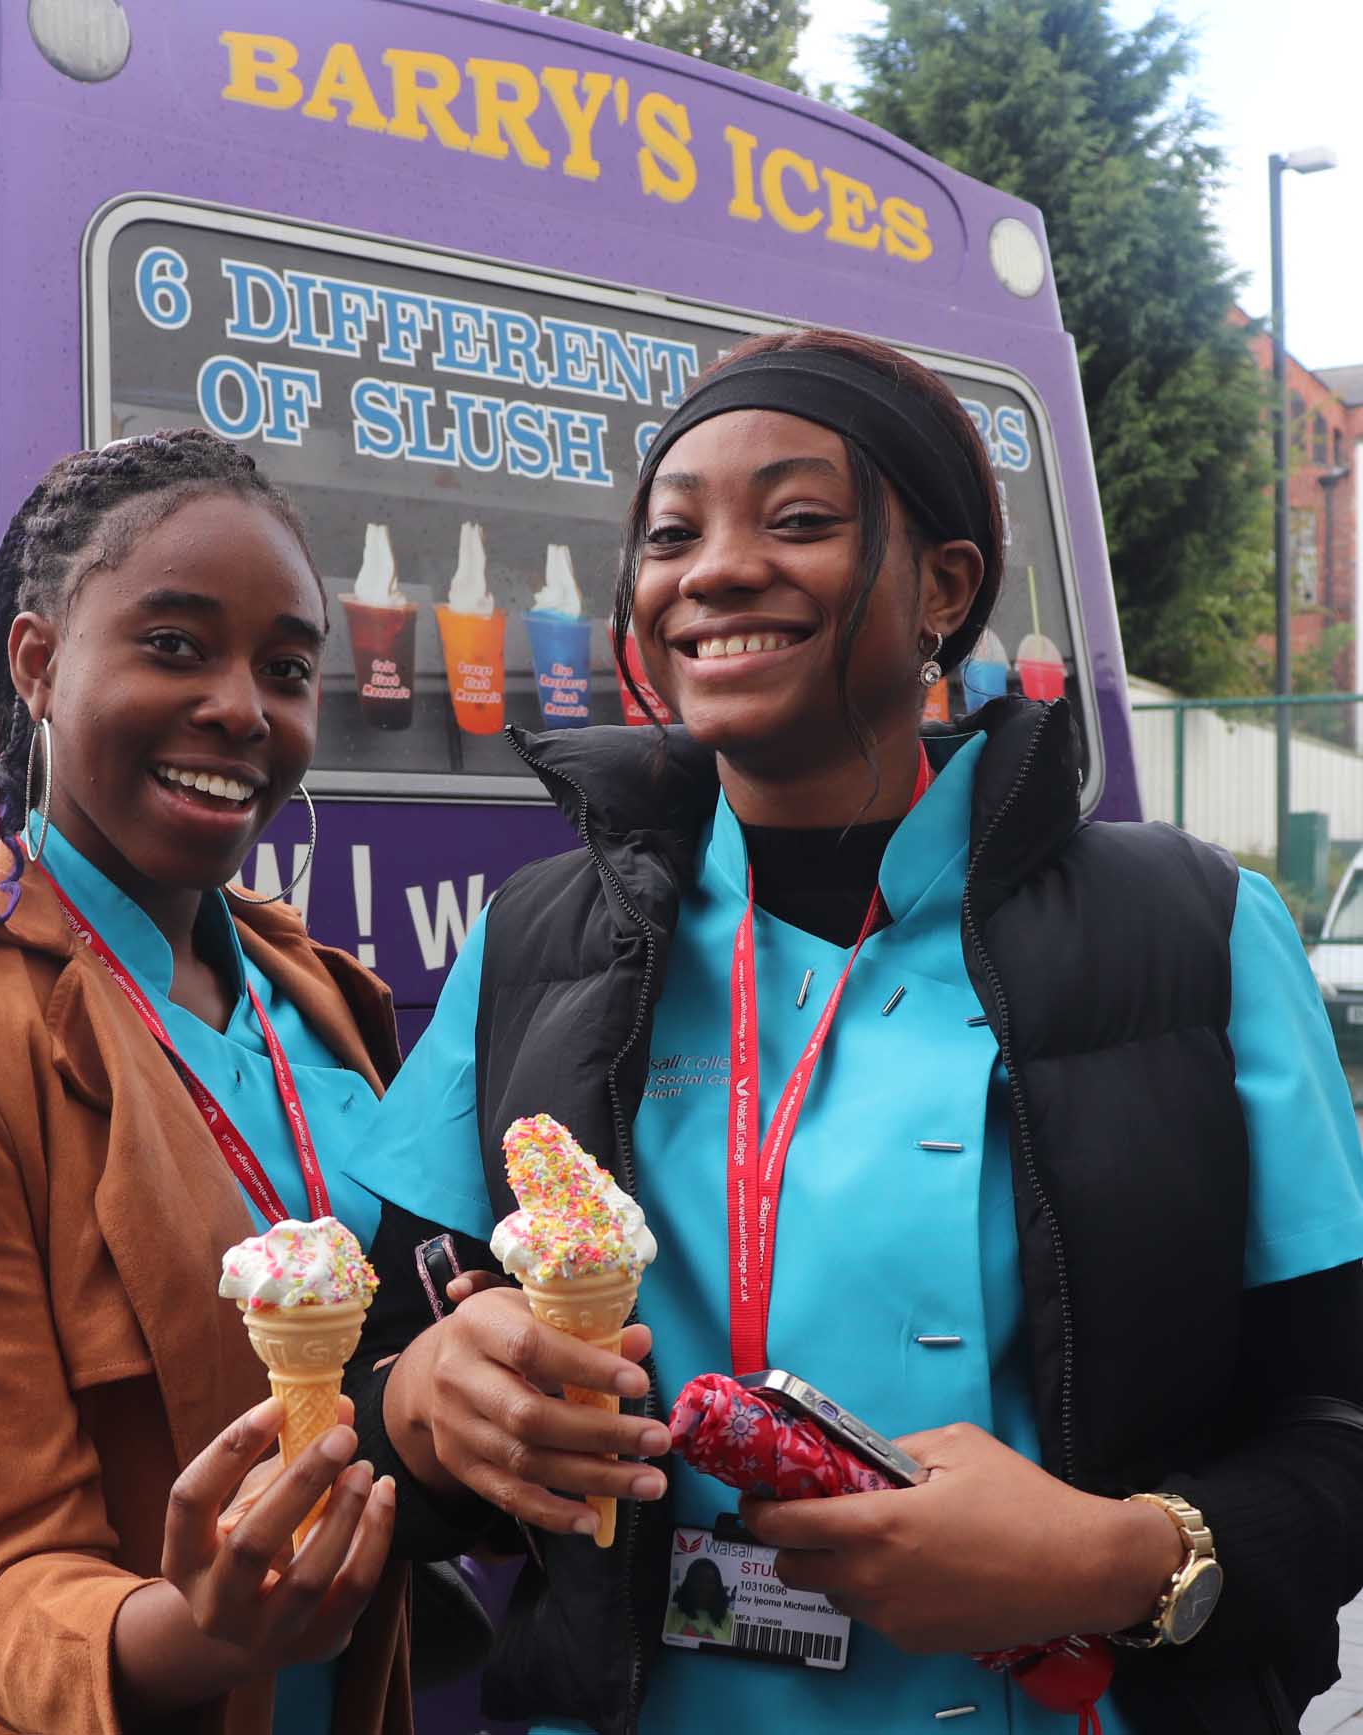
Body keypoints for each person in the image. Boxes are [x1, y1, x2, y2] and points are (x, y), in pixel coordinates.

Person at [342, 329, 1363, 1735]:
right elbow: (376, 1374)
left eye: (800, 518)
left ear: (945, 586)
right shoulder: (536, 942)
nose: (713, 570)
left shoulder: (1192, 935)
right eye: (671, 533)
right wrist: (426, 1407)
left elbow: (1338, 1429)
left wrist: (1125, 1554)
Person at [0, 430, 408, 1735]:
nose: (241, 707)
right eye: (175, 645)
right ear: (40, 663)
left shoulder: (320, 993)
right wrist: (195, 1632)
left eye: (286, 669)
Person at [662, 1559, 735, 1645]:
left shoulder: (731, 1619)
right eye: (698, 1580)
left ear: (718, 1586)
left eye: (710, 1582)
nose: (703, 1587)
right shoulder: (670, 1614)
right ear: (688, 1583)